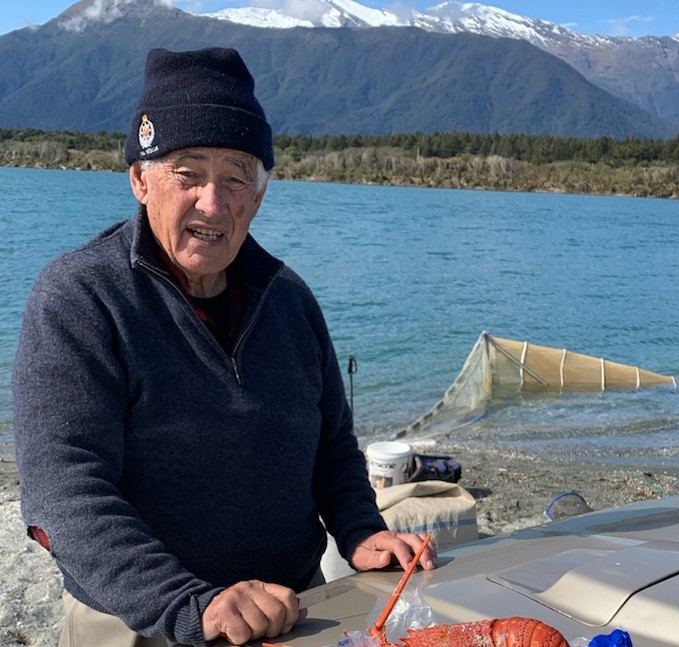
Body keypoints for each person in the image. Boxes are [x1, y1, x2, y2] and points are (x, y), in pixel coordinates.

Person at [12, 47, 436, 647]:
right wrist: (191, 603)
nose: (214, 202)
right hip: (142, 622)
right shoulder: (80, 298)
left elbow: (333, 446)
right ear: (140, 179)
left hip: (297, 609)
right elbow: (63, 493)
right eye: (188, 173)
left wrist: (360, 529)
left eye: (237, 175)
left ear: (259, 194)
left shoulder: (289, 300)